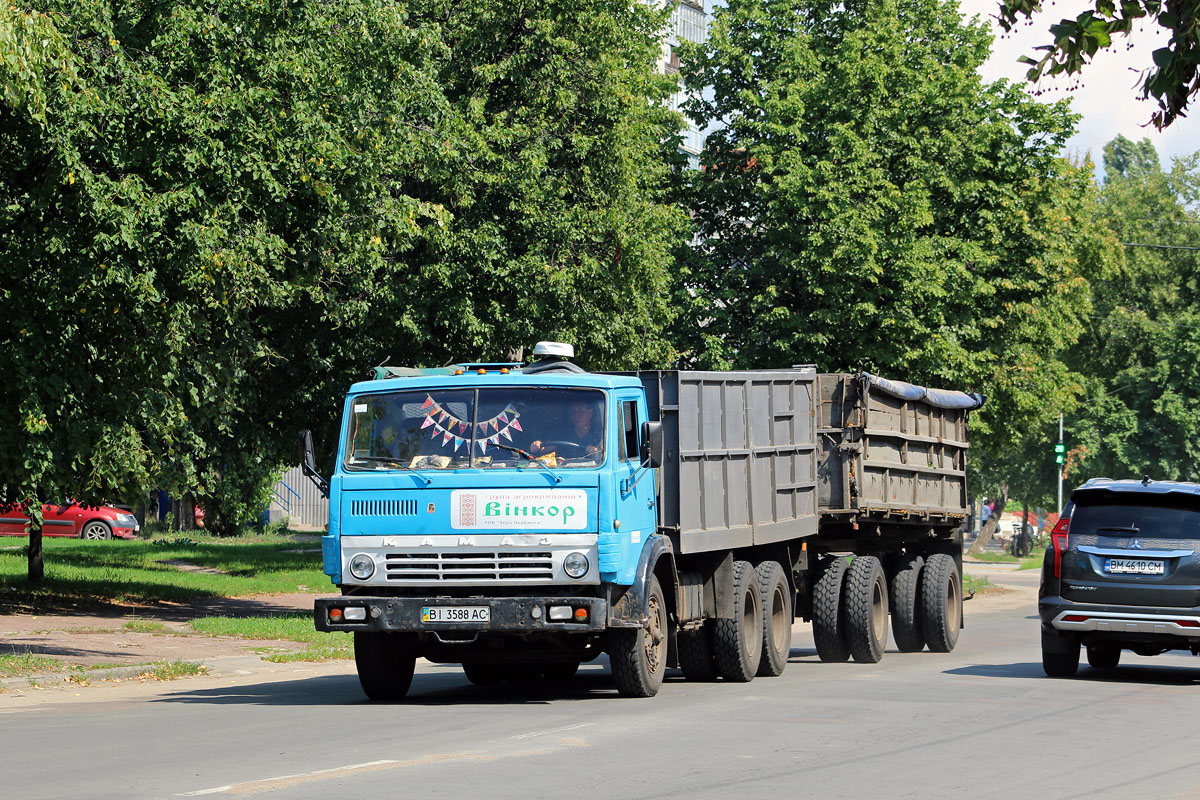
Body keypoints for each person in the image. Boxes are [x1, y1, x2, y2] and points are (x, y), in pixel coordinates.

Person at [530, 399, 602, 460]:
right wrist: (538, 445)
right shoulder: (563, 432)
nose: (576, 415)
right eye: (574, 411)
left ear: (590, 413)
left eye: (580, 411)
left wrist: (595, 452)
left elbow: (605, 453)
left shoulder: (602, 433)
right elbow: (549, 446)